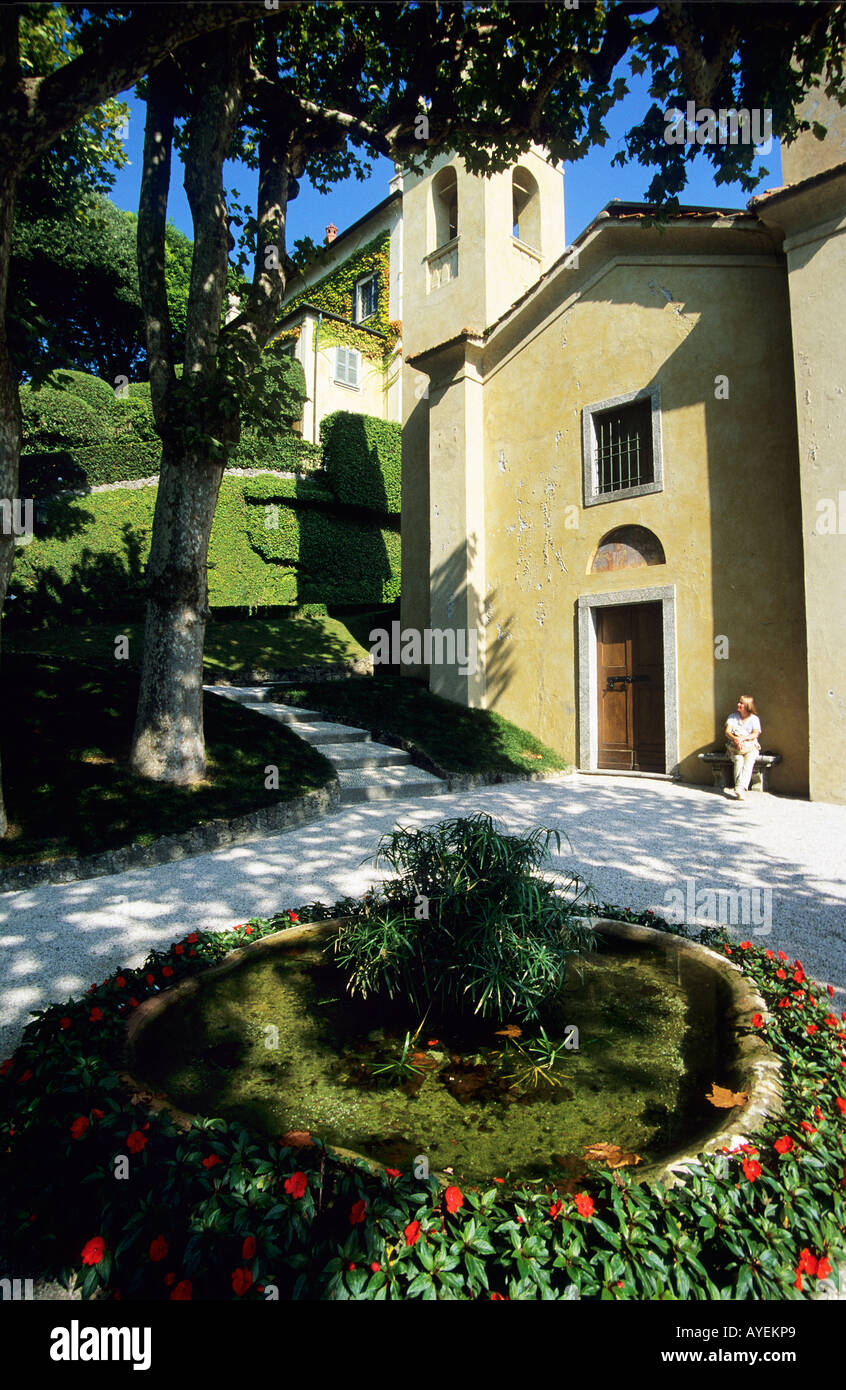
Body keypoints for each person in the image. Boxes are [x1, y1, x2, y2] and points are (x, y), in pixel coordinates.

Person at [724, 695, 762, 801]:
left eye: (741, 703)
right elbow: (727, 732)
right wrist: (735, 739)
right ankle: (740, 789)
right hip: (734, 748)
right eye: (738, 702)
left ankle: (739, 788)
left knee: (749, 761)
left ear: (747, 706)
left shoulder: (754, 719)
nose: (738, 704)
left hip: (751, 747)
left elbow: (755, 733)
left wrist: (742, 739)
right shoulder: (733, 717)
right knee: (738, 760)